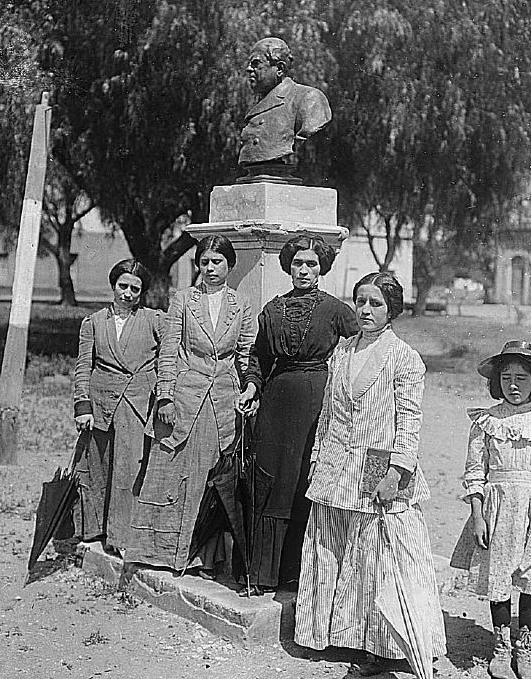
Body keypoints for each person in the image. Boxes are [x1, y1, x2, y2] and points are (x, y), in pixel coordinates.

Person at [293, 272, 447, 675]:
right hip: (335, 462)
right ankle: (326, 634)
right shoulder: (342, 351)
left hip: (378, 461)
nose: (365, 310)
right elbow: (328, 413)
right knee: (329, 546)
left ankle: (381, 646)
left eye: (375, 303)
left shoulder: (403, 357)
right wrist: (317, 458)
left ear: (391, 309)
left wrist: (396, 472)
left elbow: (409, 422)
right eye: (360, 301)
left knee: (375, 555)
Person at [124, 234, 255, 577]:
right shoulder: (183, 300)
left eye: (217, 262)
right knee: (170, 471)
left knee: (209, 477)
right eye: (204, 261)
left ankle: (202, 558)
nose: (210, 268)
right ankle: (157, 552)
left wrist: (250, 389)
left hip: (222, 402)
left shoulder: (242, 304)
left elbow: (246, 354)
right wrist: (165, 396)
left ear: (230, 265)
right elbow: (168, 351)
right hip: (184, 398)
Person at [237, 234, 358, 595]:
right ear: (288, 267)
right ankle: (262, 574)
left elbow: (363, 347)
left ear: (322, 269)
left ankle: (300, 573)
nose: (304, 270)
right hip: (275, 402)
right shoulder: (272, 309)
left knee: (304, 478)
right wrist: (252, 386)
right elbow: (259, 357)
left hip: (317, 402)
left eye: (311, 264)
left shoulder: (336, 310)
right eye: (297, 263)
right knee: (271, 479)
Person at [450, 340, 531, 679]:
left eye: (521, 379)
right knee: (498, 575)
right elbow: (474, 472)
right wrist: (478, 515)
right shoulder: (486, 421)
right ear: (497, 381)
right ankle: (501, 646)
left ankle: (525, 647)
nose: (513, 385)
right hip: (496, 507)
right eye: (507, 378)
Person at [73, 259, 163, 555]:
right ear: (113, 286)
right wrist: (82, 405)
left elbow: (170, 355)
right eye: (123, 286)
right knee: (96, 466)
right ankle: (92, 530)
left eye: (135, 289)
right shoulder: (94, 322)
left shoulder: (154, 320)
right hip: (100, 403)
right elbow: (83, 366)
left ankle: (121, 538)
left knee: (128, 469)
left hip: (135, 402)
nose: (128, 293)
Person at [237, 37, 332, 179]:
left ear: (280, 69)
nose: (249, 69)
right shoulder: (258, 104)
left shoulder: (308, 98)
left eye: (256, 63)